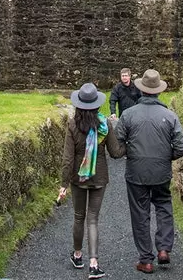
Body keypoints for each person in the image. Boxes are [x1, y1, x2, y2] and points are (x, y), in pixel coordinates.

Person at [113, 69, 183, 274]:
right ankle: (164, 248)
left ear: (142, 90)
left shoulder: (128, 115)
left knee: (140, 213)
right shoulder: (169, 116)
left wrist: (131, 150)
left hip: (136, 172)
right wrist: (165, 157)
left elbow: (117, 147)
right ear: (158, 92)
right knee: (163, 204)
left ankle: (146, 259)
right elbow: (181, 147)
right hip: (161, 171)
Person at [59, 82, 123, 279]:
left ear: (79, 105)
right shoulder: (105, 125)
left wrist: (63, 184)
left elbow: (68, 159)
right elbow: (116, 152)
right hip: (99, 177)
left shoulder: (72, 126)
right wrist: (128, 144)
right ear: (97, 105)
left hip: (79, 178)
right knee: (93, 219)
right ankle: (94, 265)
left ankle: (78, 256)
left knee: (79, 216)